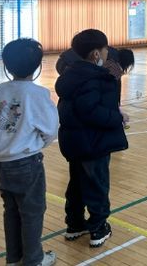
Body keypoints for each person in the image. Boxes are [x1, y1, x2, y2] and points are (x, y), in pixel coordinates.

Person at [0, 38, 59, 266]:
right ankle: (33, 260)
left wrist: (5, 137)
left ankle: (14, 258)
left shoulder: (0, 90)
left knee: (11, 210)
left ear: (7, 65)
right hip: (27, 163)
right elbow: (51, 130)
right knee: (32, 212)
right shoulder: (37, 94)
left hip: (0, 164)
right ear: (38, 65)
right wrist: (34, 143)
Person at [55, 29, 128, 248]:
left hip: (74, 141)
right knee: (97, 184)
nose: (107, 54)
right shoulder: (96, 77)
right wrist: (117, 117)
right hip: (94, 142)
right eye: (105, 50)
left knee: (76, 184)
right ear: (97, 53)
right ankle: (98, 227)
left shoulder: (70, 75)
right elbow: (91, 110)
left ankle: (75, 224)